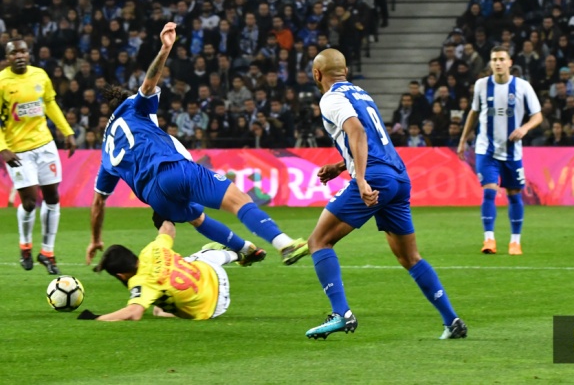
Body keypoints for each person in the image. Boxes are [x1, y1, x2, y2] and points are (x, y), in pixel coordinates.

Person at [85, 23, 308, 267]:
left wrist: (95, 239)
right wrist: (165, 49)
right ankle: (285, 244)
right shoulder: (133, 106)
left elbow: (98, 203)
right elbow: (148, 85)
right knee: (239, 200)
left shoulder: (106, 150)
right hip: (171, 169)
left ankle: (245, 250)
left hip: (154, 197)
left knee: (197, 218)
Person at [304, 49, 467, 340]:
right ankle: (452, 320)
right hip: (398, 176)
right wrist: (341, 166)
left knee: (318, 241)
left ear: (317, 74)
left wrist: (360, 178)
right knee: (410, 257)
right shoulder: (362, 94)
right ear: (345, 71)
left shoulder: (330, 98)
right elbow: (373, 139)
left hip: (376, 176)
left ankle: (341, 313)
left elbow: (357, 132)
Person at [0, 38, 76, 274]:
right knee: (30, 201)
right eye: (14, 53)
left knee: (53, 197)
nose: (19, 56)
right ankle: (25, 246)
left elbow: (50, 103)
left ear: (28, 54)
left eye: (23, 51)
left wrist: (67, 131)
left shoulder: (40, 75)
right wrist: (2, 148)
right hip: (18, 151)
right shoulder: (2, 82)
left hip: (45, 146)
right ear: (7, 57)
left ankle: (47, 253)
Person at [457, 47, 543, 255]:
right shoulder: (482, 85)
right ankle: (489, 239)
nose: (497, 63)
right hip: (486, 150)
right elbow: (474, 113)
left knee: (514, 195)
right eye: (494, 59)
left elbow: (538, 115)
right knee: (489, 191)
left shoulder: (522, 86)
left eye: (501, 59)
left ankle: (515, 242)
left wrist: (524, 128)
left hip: (512, 152)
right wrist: (463, 140)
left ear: (509, 62)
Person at [78, 221, 255, 321]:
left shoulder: (140, 283)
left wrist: (96, 318)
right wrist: (163, 211)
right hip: (211, 271)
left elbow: (134, 312)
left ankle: (237, 255)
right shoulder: (151, 249)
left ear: (121, 275)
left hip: (213, 307)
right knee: (193, 259)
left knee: (164, 291)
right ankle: (239, 255)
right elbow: (168, 229)